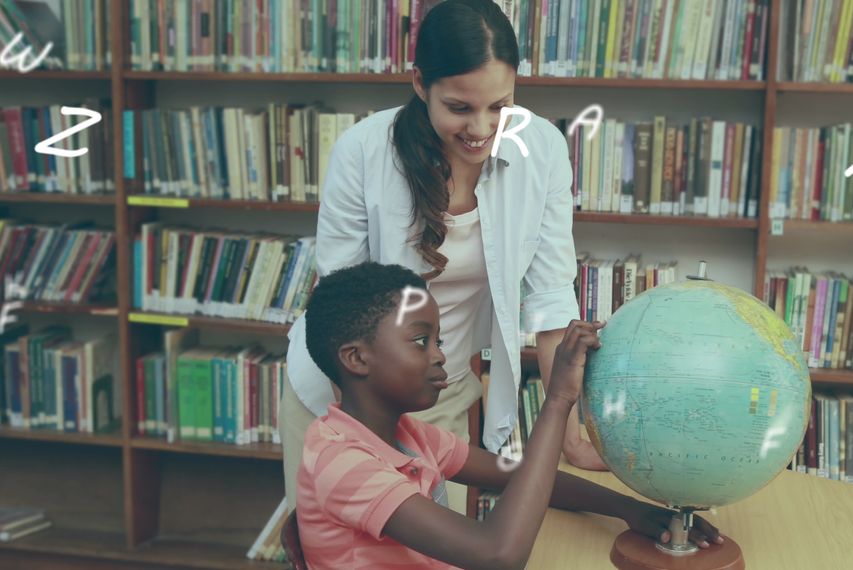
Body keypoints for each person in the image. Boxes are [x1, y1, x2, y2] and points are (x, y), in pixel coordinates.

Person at [283, 0, 607, 515]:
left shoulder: (541, 149)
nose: (482, 128)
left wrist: (570, 437)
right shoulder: (362, 152)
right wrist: (363, 435)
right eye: (459, 108)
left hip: (441, 389)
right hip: (345, 396)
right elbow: (344, 303)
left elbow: (549, 300)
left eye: (499, 105)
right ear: (419, 85)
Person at [295, 262, 722, 569]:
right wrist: (557, 401)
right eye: (421, 341)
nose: (441, 355)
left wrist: (630, 510)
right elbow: (497, 554)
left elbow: (520, 475)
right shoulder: (344, 463)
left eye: (439, 339)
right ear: (356, 358)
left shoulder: (410, 435)